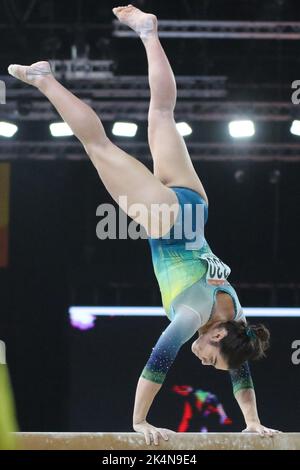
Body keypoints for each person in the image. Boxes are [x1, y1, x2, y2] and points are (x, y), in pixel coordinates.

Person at [8, 4, 280, 445]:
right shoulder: (193, 315)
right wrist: (139, 422)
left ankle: (149, 32)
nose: (205, 363)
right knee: (97, 144)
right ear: (215, 334)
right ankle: (44, 78)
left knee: (162, 115)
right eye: (211, 359)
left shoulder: (236, 321)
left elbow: (240, 371)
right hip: (167, 220)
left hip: (195, 207)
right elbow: (158, 361)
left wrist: (251, 422)